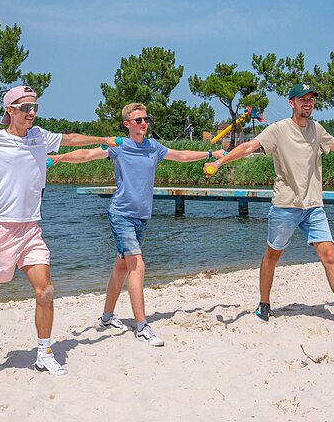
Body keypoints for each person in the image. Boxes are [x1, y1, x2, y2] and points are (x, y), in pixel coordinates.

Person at [0, 86, 113, 377]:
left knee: (45, 290)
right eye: (25, 107)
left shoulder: (40, 137)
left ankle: (43, 353)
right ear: (10, 110)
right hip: (0, 228)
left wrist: (103, 139)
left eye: (35, 107)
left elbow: (70, 139)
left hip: (30, 228)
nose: (31, 112)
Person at [205, 83, 334, 333]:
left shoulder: (317, 130)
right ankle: (264, 303)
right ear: (292, 103)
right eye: (302, 99)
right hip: (285, 206)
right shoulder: (278, 130)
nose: (308, 103)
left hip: (313, 206)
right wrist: (221, 162)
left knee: (330, 256)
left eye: (311, 100)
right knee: (272, 256)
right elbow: (250, 146)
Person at [48, 102, 222, 347]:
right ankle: (142, 326)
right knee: (137, 266)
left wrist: (210, 154)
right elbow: (87, 155)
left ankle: (107, 317)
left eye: (146, 119)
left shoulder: (153, 147)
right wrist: (60, 157)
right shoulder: (119, 146)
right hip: (121, 215)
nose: (144, 123)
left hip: (142, 216)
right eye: (139, 120)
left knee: (121, 268)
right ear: (127, 124)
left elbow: (181, 156)